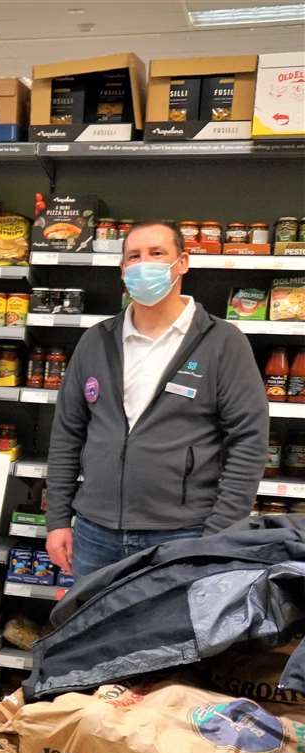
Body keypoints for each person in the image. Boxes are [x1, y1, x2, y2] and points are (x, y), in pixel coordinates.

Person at [45, 220, 267, 581]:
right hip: (94, 532)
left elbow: (249, 442)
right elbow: (68, 434)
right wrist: (56, 520)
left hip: (184, 534)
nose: (144, 263)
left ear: (182, 262)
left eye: (157, 253)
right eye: (134, 256)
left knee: (171, 638)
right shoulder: (96, 341)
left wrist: (221, 533)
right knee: (94, 637)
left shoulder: (223, 342)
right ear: (122, 269)